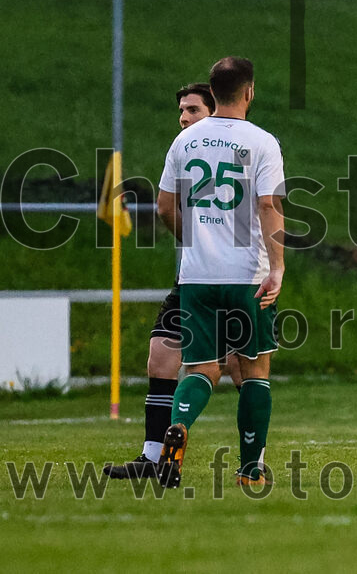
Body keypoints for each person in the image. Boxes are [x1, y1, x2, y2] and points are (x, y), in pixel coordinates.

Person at [155, 57, 286, 487]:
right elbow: (268, 206)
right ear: (249, 92)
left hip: (197, 276)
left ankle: (179, 429)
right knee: (254, 371)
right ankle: (250, 470)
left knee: (200, 369)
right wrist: (278, 266)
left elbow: (164, 207)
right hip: (247, 274)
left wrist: (191, 237)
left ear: (212, 93)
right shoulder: (263, 141)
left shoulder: (185, 141)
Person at [103, 84, 242, 481]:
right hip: (193, 277)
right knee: (162, 356)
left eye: (192, 109)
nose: (183, 117)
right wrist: (196, 240)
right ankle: (153, 457)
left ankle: (253, 457)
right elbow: (167, 207)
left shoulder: (238, 149)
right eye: (181, 110)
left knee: (236, 366)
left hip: (236, 276)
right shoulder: (184, 149)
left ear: (215, 111)